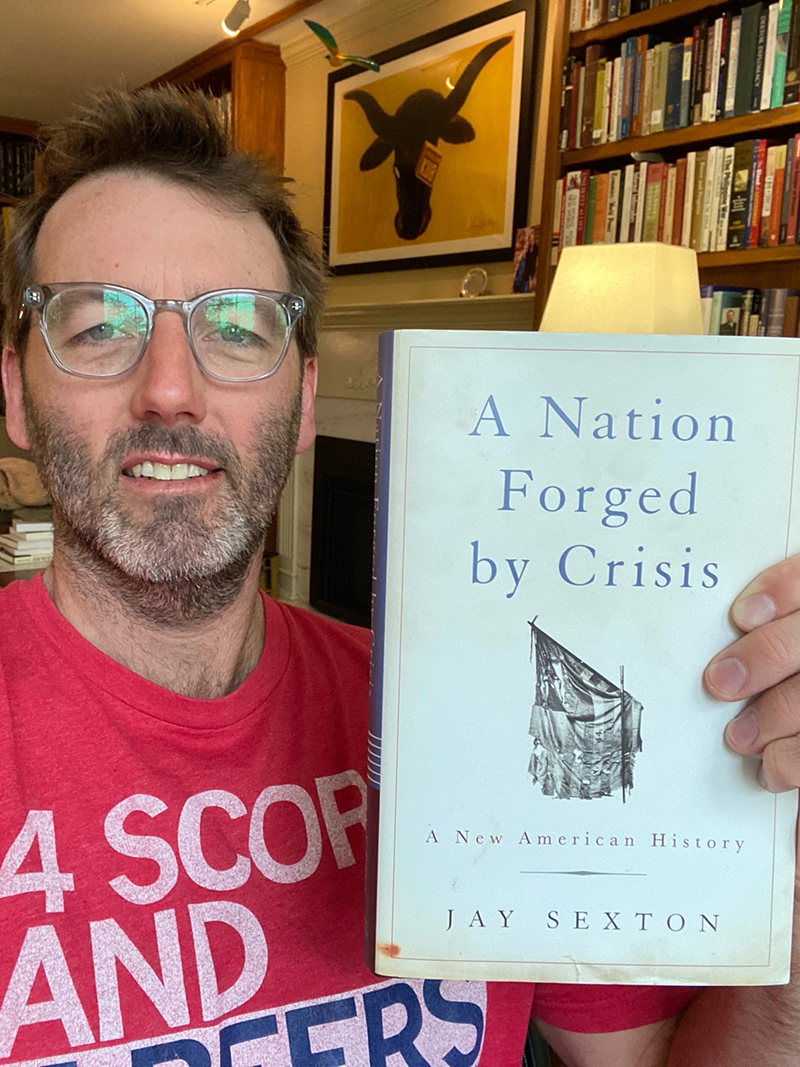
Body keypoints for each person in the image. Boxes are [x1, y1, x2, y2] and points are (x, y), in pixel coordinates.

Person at [0, 86, 797, 1067]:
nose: (170, 387)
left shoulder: (476, 712)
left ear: (301, 402)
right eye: (97, 327)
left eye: (238, 329)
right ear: (16, 394)